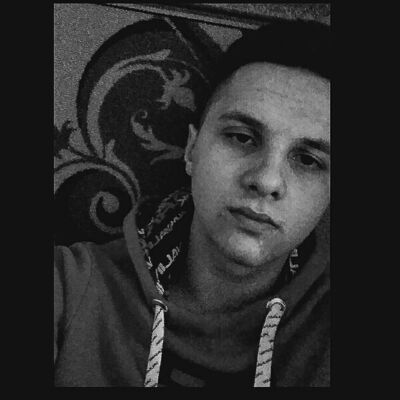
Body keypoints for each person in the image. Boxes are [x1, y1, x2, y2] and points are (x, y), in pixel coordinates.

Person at [54, 19, 330, 387]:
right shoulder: (68, 287)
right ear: (191, 149)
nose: (266, 180)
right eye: (242, 138)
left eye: (308, 160)